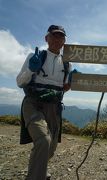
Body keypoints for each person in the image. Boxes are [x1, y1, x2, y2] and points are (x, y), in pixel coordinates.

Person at [16, 25, 72, 180]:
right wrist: (31, 70)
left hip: (53, 107)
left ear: (64, 41)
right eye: (54, 36)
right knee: (43, 140)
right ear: (46, 38)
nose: (57, 39)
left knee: (51, 147)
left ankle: (40, 168)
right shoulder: (36, 56)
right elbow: (20, 82)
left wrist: (70, 84)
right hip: (33, 104)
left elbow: (62, 90)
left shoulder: (67, 64)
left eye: (61, 37)